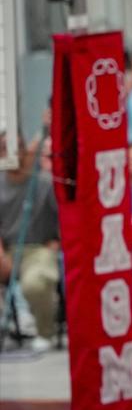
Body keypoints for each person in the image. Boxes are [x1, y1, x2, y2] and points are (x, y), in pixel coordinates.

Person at [0, 131, 60, 351]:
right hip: (5, 250)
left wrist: (56, 242)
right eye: (5, 148)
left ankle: (46, 332)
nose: (12, 154)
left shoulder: (44, 183)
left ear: (26, 151)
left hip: (38, 249)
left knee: (36, 284)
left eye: (17, 148)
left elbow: (62, 218)